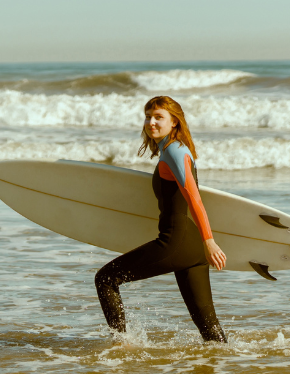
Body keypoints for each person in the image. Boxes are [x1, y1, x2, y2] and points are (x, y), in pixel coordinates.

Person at [94, 96, 228, 342]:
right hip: (191, 246)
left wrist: (209, 241)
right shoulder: (172, 150)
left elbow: (194, 199)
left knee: (105, 279)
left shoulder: (175, 151)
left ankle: (122, 347)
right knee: (209, 329)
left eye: (158, 117)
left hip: (176, 241)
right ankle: (222, 371)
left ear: (174, 122)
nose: (151, 122)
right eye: (148, 116)